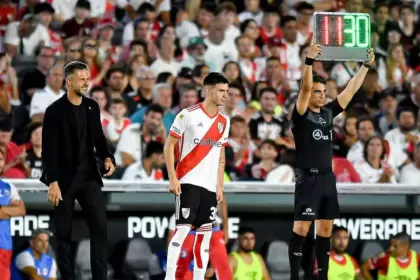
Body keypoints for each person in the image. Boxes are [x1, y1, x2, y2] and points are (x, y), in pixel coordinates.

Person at [288, 39, 375, 280]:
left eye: (324, 92)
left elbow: (349, 91)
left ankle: (323, 276)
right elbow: (305, 90)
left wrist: (365, 67)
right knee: (302, 229)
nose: (321, 96)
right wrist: (309, 61)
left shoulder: (327, 113)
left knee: (325, 230)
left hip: (327, 178)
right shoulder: (302, 113)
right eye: (318, 92)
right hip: (307, 178)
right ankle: (295, 276)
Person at [40, 61, 116, 280]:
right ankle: (68, 277)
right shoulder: (54, 111)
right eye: (81, 78)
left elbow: (98, 137)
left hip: (89, 176)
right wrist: (53, 182)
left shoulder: (92, 106)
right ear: (69, 81)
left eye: (87, 78)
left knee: (100, 227)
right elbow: (49, 150)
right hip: (63, 180)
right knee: (63, 233)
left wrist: (107, 156)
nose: (86, 82)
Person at [164, 72, 230, 280]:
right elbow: (169, 146)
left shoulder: (224, 121)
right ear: (208, 91)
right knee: (182, 231)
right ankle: (169, 277)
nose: (225, 95)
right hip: (188, 181)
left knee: (204, 237)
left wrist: (219, 186)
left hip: (210, 187)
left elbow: (220, 155)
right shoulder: (188, 115)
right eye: (221, 91)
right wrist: (172, 177)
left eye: (227, 91)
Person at [167, 200, 231, 280]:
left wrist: (212, 267)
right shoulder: (178, 217)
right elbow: (171, 244)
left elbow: (221, 200)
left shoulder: (212, 216)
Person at [0, 148, 26, 280]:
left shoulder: (8, 187)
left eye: (0, 159)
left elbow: (21, 210)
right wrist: (9, 209)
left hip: (3, 246)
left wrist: (2, 210)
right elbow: (14, 210)